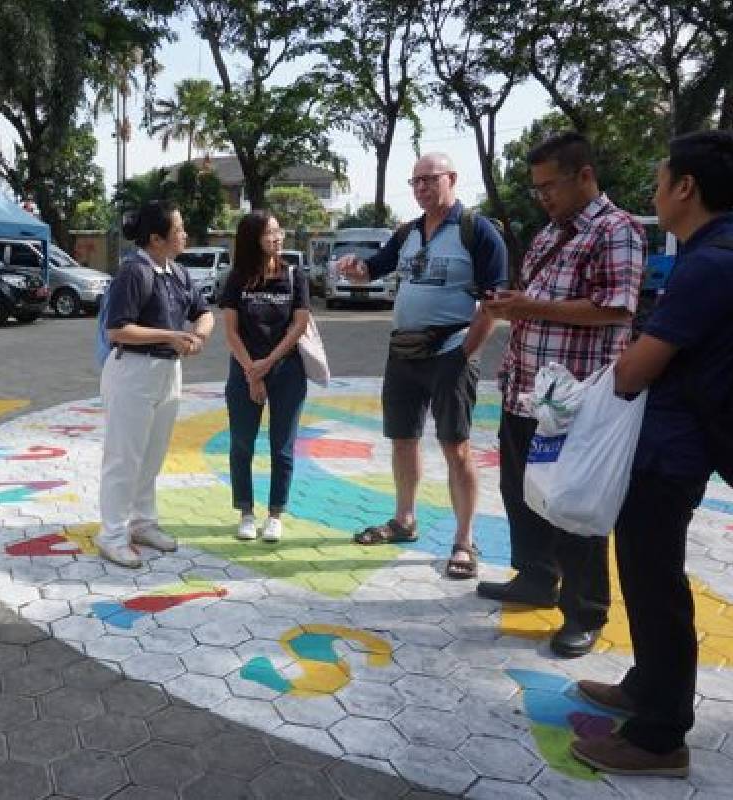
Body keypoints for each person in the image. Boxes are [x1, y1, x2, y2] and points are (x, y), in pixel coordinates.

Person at [570, 131, 733, 777]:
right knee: (646, 572)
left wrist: (629, 359)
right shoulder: (718, 253)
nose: (654, 191)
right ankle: (646, 685)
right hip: (669, 446)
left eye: (659, 179)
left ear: (686, 188)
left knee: (656, 583)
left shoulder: (714, 264)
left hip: (672, 453)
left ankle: (659, 736)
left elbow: (633, 371)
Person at [479, 132, 646, 658]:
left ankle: (585, 610)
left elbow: (617, 307)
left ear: (585, 176)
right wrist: (514, 305)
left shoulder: (615, 230)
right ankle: (534, 577)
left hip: (574, 403)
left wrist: (527, 307)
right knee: (521, 493)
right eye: (537, 188)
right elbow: (539, 301)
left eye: (550, 185)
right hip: (526, 391)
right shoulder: (554, 232)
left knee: (573, 506)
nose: (543, 196)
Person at [338, 152, 506, 579]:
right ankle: (404, 520)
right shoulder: (408, 233)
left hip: (451, 351)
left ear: (452, 178)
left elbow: (494, 303)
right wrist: (355, 269)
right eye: (415, 182)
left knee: (456, 446)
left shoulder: (478, 231)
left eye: (429, 180)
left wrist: (465, 352)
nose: (421, 188)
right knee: (403, 439)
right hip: (404, 353)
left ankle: (464, 540)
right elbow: (372, 270)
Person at [98, 201, 214, 568]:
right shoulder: (134, 272)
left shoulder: (176, 272)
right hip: (133, 372)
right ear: (156, 238)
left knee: (152, 454)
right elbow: (117, 329)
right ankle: (113, 533)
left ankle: (142, 522)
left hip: (167, 372)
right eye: (178, 229)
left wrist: (198, 335)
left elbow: (205, 312)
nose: (184, 234)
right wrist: (171, 335)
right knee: (124, 456)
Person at [221, 211, 311, 542]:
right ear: (252, 239)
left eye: (278, 230)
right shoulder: (237, 278)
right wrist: (251, 372)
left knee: (282, 446)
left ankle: (275, 514)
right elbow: (230, 331)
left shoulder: (294, 275)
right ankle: (245, 511)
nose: (278, 237)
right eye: (269, 232)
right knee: (242, 444)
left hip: (286, 369)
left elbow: (299, 324)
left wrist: (267, 363)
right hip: (244, 369)